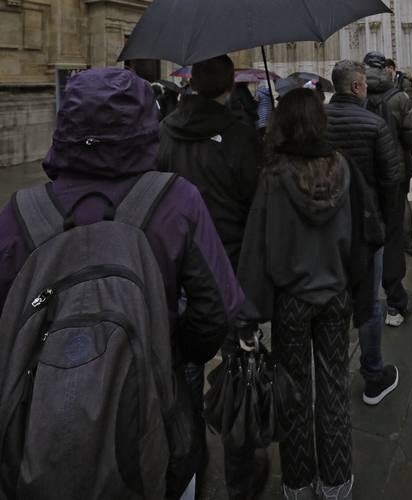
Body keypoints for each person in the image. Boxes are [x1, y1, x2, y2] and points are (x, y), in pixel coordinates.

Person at [0, 67, 242, 498]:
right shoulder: (177, 199)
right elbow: (219, 309)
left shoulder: (20, 214)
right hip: (157, 410)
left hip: (38, 423)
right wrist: (173, 349)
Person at [237, 88, 354, 500]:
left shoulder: (274, 176)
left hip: (292, 301)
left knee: (295, 393)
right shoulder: (342, 168)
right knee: (335, 387)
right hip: (336, 297)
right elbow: (353, 239)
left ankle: (300, 483)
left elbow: (256, 249)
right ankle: (337, 483)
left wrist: (247, 316)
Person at [157, 55, 266, 500]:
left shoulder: (164, 133)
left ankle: (189, 473)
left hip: (180, 270)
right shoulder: (241, 136)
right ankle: (240, 481)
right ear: (228, 87)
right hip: (230, 275)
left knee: (184, 377)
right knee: (239, 377)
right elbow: (256, 201)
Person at [326, 59, 400, 406]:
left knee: (334, 299)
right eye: (364, 84)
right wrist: (386, 226)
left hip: (326, 229)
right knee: (369, 302)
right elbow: (391, 182)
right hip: (367, 230)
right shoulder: (374, 125)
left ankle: (332, 374)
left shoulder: (317, 124)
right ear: (357, 87)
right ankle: (372, 375)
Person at [363, 51, 412, 321]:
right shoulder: (399, 98)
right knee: (393, 237)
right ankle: (395, 302)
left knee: (366, 235)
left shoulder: (357, 96)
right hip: (393, 177)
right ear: (385, 69)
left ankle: (364, 299)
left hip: (365, 178)